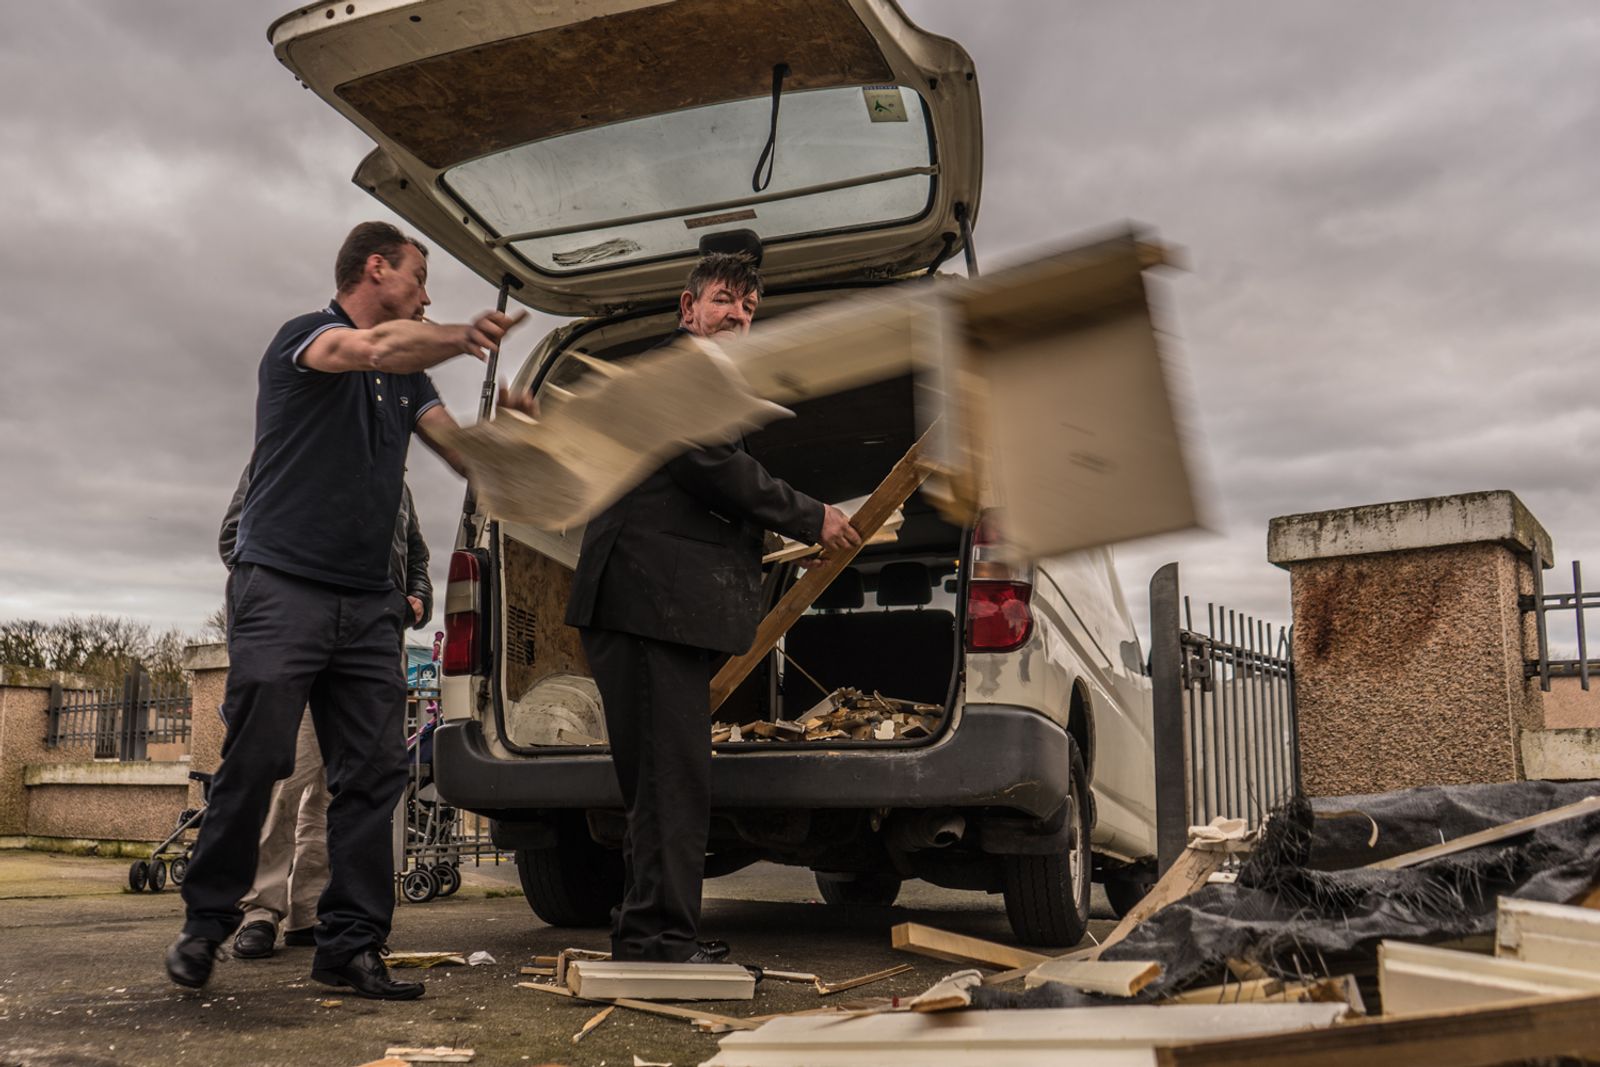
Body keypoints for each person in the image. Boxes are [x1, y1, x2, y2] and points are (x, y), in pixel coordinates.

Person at [165, 221, 527, 1000]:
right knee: (258, 758)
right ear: (376, 269)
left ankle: (351, 946)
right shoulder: (309, 337)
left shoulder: (411, 384)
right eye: (419, 276)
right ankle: (204, 921)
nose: (428, 294)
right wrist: (456, 335)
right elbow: (366, 350)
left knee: (374, 775)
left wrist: (518, 433)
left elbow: (465, 456)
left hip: (370, 603)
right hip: (282, 586)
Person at [565, 252, 860, 963]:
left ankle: (651, 931)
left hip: (655, 609)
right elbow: (711, 464)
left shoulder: (704, 378)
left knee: (665, 781)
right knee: (670, 783)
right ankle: (659, 939)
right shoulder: (679, 371)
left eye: (749, 308)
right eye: (726, 299)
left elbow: (702, 498)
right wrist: (809, 515)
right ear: (687, 306)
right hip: (645, 607)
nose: (738, 315)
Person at [215, 473, 433, 960]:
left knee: (341, 788)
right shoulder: (287, 452)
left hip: (370, 648)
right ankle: (259, 911)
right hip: (302, 644)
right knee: (286, 782)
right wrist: (299, 598)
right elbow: (234, 538)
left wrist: (415, 596)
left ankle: (310, 911)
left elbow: (415, 553)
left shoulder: (395, 482)